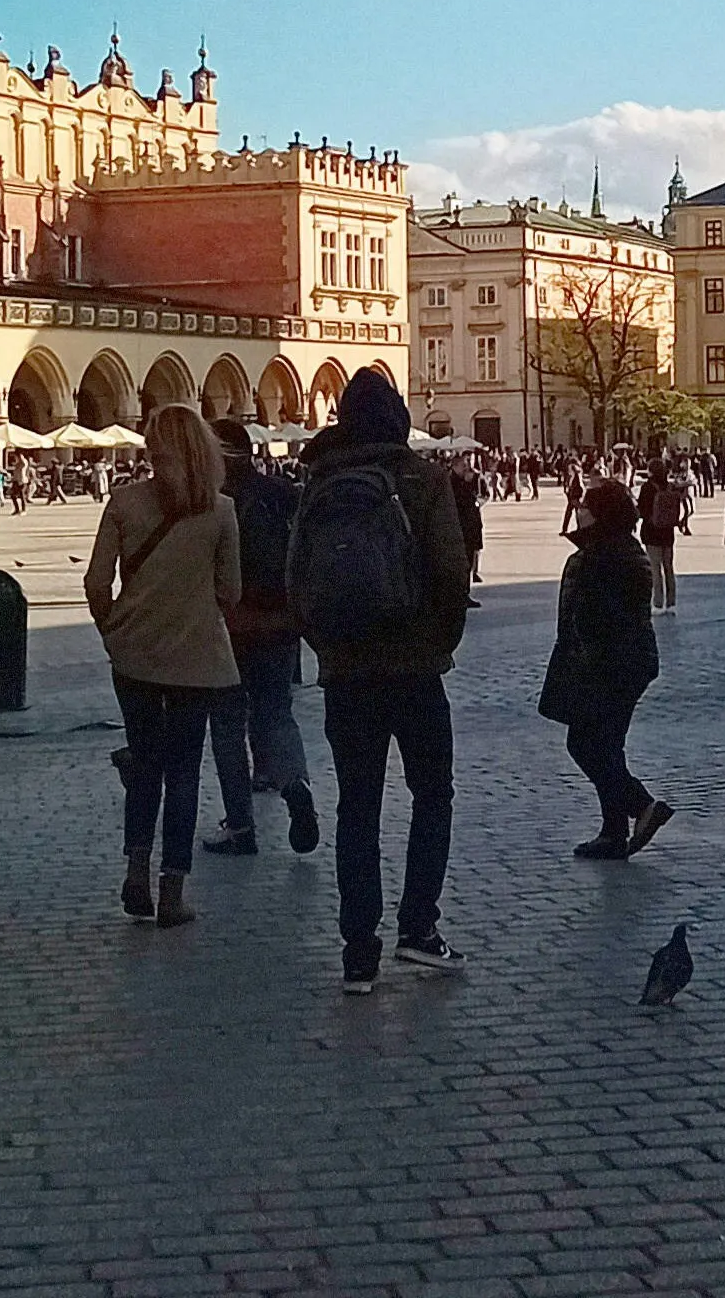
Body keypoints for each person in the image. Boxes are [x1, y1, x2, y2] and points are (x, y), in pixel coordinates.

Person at [290, 367, 470, 993]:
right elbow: (451, 575)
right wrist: (436, 645)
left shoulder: (319, 483)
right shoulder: (422, 480)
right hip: (416, 672)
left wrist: (330, 647)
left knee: (357, 808)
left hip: (346, 676)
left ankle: (357, 952)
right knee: (433, 795)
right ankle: (418, 929)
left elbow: (297, 582)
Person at [86, 404, 239, 927]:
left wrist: (113, 630)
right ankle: (172, 892)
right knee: (185, 773)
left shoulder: (124, 503)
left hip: (135, 655)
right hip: (196, 658)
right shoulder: (219, 511)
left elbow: (95, 582)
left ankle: (135, 869)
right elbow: (231, 592)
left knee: (146, 763)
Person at [203, 418, 320, 858]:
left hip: (230, 629)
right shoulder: (285, 495)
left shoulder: (213, 503)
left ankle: (240, 826)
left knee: (228, 727)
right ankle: (295, 784)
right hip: (280, 625)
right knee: (276, 716)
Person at [540, 479, 672, 860]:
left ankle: (642, 806)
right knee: (607, 745)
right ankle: (613, 832)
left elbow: (590, 617)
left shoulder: (600, 555)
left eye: (587, 506)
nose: (579, 509)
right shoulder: (624, 548)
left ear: (600, 514)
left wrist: (582, 658)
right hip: (630, 661)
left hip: (608, 665)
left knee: (584, 743)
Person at [638, 460, 682, 613]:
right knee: (669, 567)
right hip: (668, 533)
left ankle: (657, 603)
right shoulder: (670, 487)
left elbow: (641, 510)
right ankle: (671, 602)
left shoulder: (647, 487)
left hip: (652, 532)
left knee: (655, 568)